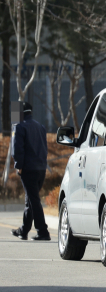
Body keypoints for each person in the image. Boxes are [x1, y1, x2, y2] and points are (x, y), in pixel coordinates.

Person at [10, 102, 50, 241]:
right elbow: (44, 148)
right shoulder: (40, 127)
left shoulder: (19, 126)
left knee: (33, 200)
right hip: (41, 168)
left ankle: (42, 231)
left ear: (20, 113)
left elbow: (17, 149)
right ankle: (24, 230)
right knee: (30, 200)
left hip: (28, 168)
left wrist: (18, 166)